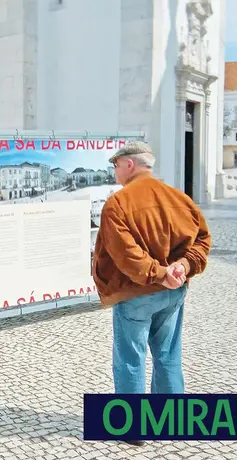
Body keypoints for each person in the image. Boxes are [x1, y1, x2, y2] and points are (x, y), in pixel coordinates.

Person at [92, 141, 211, 443]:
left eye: (116, 165)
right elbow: (203, 239)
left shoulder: (118, 204)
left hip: (136, 293)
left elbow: (127, 255)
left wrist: (161, 274)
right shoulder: (179, 198)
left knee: (131, 358)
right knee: (168, 354)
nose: (115, 171)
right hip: (173, 292)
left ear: (129, 164)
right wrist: (182, 267)